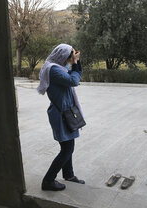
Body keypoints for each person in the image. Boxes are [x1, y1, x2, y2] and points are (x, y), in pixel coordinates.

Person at [37, 43, 85, 191]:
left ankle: (69, 174)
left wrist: (76, 63)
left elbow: (73, 74)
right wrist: (75, 63)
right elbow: (73, 80)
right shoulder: (54, 70)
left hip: (64, 111)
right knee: (67, 148)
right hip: (61, 114)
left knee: (67, 145)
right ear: (63, 56)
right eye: (70, 55)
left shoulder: (58, 66)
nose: (71, 58)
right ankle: (48, 180)